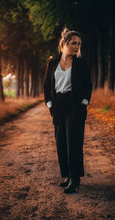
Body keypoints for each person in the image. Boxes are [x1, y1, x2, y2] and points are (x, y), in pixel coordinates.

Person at [43, 28, 92, 194]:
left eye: (79, 44)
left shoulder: (80, 63)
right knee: (61, 141)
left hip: (74, 104)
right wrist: (50, 106)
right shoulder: (52, 63)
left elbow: (88, 86)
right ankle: (67, 176)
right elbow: (46, 87)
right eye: (73, 43)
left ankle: (75, 179)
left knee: (74, 143)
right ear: (64, 43)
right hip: (58, 105)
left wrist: (83, 104)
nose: (77, 46)